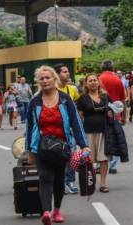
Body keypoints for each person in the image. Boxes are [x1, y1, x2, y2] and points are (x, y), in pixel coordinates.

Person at [26, 65, 90, 225]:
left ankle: (57, 210)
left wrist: (83, 145)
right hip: (41, 146)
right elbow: (29, 126)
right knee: (45, 177)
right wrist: (30, 150)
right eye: (41, 78)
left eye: (48, 77)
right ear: (38, 81)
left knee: (59, 179)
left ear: (54, 79)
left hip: (62, 147)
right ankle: (46, 211)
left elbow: (76, 122)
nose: (45, 80)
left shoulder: (64, 99)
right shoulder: (34, 101)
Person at [76, 74, 112, 193]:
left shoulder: (105, 96)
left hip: (103, 131)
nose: (92, 82)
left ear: (98, 82)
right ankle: (90, 183)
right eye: (90, 81)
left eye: (94, 80)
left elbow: (113, 109)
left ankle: (103, 183)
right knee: (89, 160)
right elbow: (79, 118)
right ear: (86, 84)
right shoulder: (82, 98)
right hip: (88, 132)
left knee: (103, 158)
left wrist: (112, 114)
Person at [54, 63, 80, 194]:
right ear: (57, 74)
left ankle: (70, 180)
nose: (68, 73)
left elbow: (79, 107)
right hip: (55, 129)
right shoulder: (51, 89)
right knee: (58, 156)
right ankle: (59, 182)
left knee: (72, 155)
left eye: (67, 71)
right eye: (64, 72)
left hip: (69, 129)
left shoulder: (72, 89)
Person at [98, 60, 126, 174]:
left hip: (100, 114)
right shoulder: (117, 80)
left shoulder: (98, 79)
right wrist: (124, 116)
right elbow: (122, 99)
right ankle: (113, 166)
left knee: (101, 139)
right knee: (115, 139)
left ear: (102, 67)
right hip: (115, 114)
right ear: (113, 68)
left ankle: (101, 164)